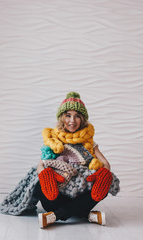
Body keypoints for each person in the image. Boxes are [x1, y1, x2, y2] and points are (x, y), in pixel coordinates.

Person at [35, 92, 113, 229]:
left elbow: (106, 164)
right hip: (57, 194)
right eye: (68, 115)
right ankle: (86, 214)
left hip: (79, 193)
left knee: (104, 185)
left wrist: (103, 174)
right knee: (39, 186)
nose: (72, 120)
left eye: (77, 116)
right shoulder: (54, 140)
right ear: (62, 118)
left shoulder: (89, 143)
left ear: (82, 120)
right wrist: (45, 175)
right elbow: (41, 164)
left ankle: (55, 216)